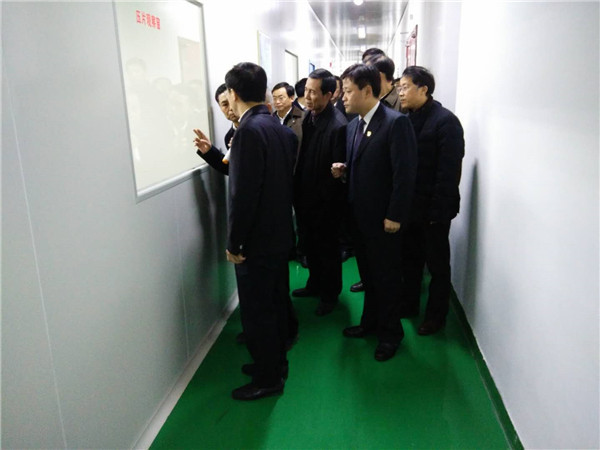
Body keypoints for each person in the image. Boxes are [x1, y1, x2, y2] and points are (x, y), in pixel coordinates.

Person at [194, 62, 297, 400]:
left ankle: (268, 378)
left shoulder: (249, 132)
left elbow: (244, 195)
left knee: (258, 312)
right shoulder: (277, 126)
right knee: (273, 306)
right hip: (278, 233)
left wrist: (235, 242)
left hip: (257, 241)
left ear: (234, 93)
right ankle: (275, 365)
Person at [332, 63, 417, 361]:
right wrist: (344, 170)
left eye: (348, 91)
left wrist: (395, 214)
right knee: (368, 275)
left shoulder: (395, 124)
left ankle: (391, 334)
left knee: (387, 279)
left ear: (367, 90)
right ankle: (369, 323)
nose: (343, 97)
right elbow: (366, 164)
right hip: (360, 218)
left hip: (384, 221)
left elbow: (404, 174)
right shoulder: (353, 126)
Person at [398, 66, 465, 335]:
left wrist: (437, 212)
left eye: (405, 87)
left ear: (423, 89)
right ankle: (409, 303)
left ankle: (436, 317)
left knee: (437, 265)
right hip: (411, 207)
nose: (400, 93)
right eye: (399, 87)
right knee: (410, 260)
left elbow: (449, 173)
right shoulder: (406, 119)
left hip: (434, 210)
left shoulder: (445, 122)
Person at [291, 69, 347, 316]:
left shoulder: (338, 126)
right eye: (306, 91)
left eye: (314, 92)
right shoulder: (308, 118)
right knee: (310, 245)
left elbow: (338, 173)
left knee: (328, 250)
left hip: (326, 203)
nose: (308, 96)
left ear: (329, 94)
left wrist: (327, 202)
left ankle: (329, 295)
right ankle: (314, 284)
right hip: (305, 197)